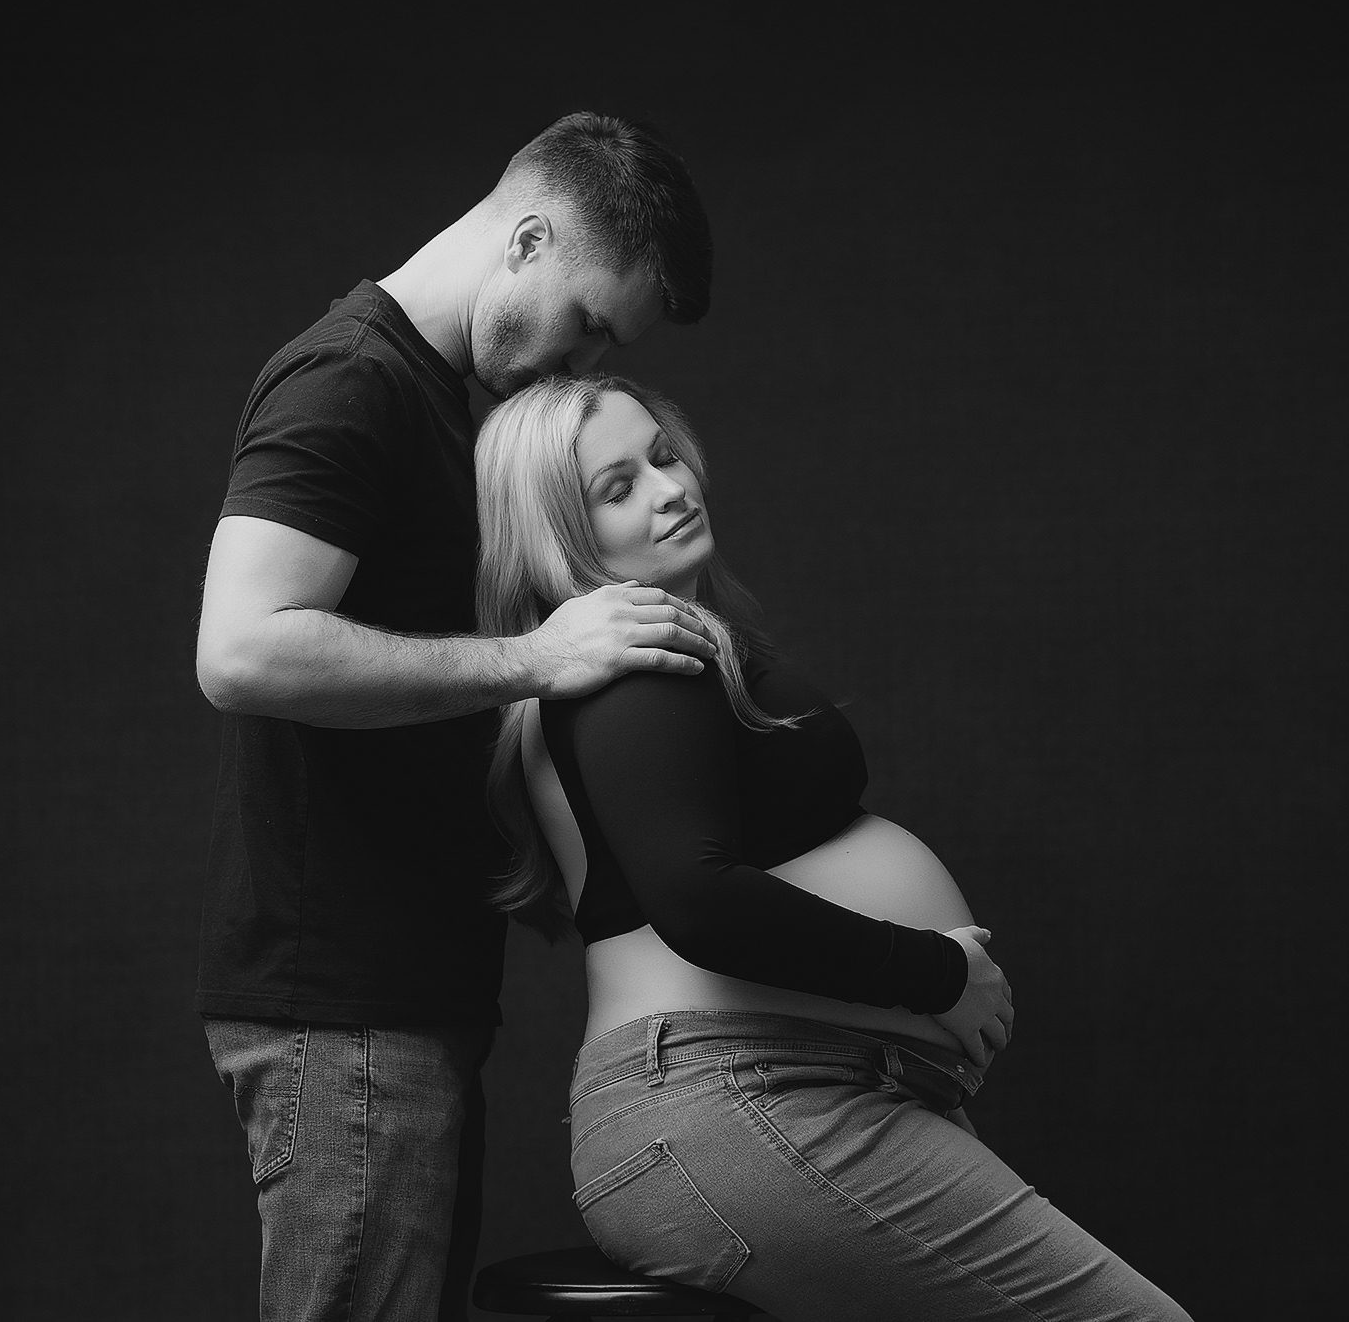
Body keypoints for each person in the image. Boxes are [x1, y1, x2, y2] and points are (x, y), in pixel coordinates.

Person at [474, 372, 1193, 1322]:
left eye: (663, 454)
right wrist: (935, 973)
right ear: (564, 540)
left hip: (780, 1091)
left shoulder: (661, 653)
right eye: (618, 489)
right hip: (737, 1098)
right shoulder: (635, 668)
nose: (669, 487)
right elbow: (697, 901)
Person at [193, 113, 721, 1322]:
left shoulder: (445, 405)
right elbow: (241, 648)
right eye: (587, 321)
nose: (580, 366)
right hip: (344, 1006)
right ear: (527, 238)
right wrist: (537, 657)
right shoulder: (350, 384)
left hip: (400, 1000)